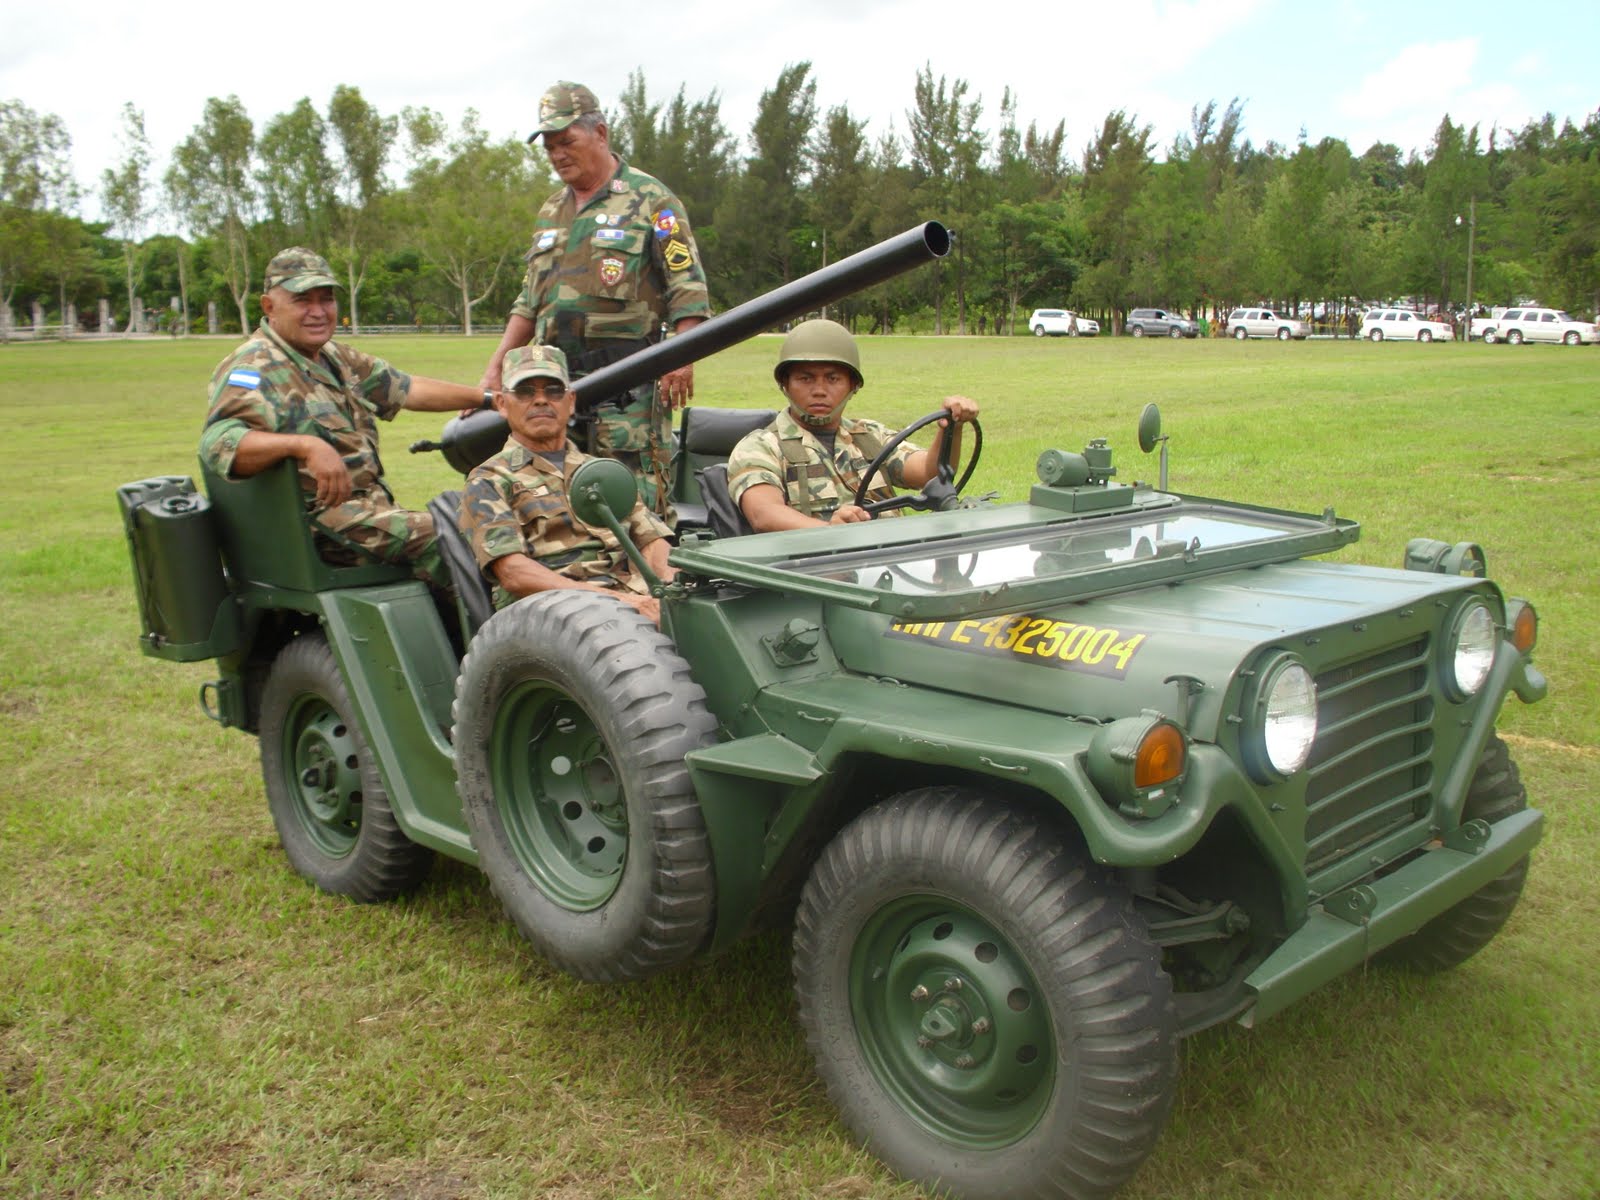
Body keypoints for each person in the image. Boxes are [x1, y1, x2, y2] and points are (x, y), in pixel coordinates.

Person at [477, 81, 711, 521]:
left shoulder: (652, 201)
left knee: (635, 504)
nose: (557, 154)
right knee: (555, 502)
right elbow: (530, 300)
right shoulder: (551, 210)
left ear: (600, 134)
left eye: (567, 141)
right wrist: (496, 366)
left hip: (627, 388)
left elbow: (687, 285)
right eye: (548, 146)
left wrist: (683, 356)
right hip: (553, 386)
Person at [200, 247, 484, 585]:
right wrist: (304, 446)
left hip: (366, 516)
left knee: (488, 520)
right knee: (453, 538)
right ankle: (492, 636)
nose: (318, 312)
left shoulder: (333, 356)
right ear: (269, 306)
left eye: (327, 299)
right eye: (303, 300)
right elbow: (219, 443)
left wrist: (490, 400)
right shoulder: (254, 367)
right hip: (317, 527)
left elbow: (408, 389)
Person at [459, 345, 675, 625]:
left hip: (635, 602)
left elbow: (650, 538)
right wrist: (621, 602)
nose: (540, 401)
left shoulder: (599, 470)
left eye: (553, 391)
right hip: (554, 619)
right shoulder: (489, 481)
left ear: (570, 401)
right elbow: (514, 573)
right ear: (502, 404)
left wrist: (670, 590)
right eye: (525, 392)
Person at [727, 319, 980, 532]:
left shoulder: (868, 436)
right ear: (786, 384)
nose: (819, 390)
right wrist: (832, 533)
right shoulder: (760, 446)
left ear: (852, 386)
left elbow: (928, 473)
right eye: (805, 378)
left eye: (833, 378)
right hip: (815, 574)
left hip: (894, 564)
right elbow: (764, 513)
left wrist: (951, 428)